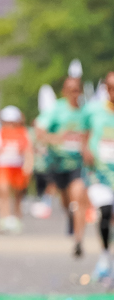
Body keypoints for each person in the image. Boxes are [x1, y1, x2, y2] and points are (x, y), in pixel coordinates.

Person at [35, 62, 92, 259]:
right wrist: (56, 139)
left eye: (77, 90)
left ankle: (78, 240)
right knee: (67, 201)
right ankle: (70, 217)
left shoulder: (86, 111)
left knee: (78, 196)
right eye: (70, 90)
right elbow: (39, 131)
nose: (74, 94)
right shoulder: (56, 110)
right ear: (64, 91)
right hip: (58, 163)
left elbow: (91, 133)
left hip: (77, 164)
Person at [84, 69, 114, 280]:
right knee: (105, 211)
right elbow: (83, 134)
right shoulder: (93, 110)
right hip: (99, 174)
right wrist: (85, 149)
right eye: (110, 87)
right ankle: (104, 256)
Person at [0, 105, 31, 233]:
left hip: (18, 167)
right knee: (4, 192)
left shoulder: (23, 132)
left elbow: (28, 150)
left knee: (18, 195)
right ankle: (4, 218)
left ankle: (17, 218)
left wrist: (28, 166)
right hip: (2, 166)